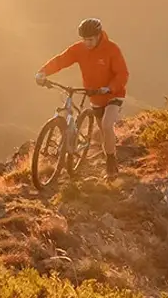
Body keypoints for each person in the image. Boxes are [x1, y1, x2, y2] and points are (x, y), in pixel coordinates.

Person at [35, 17, 129, 178]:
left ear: (99, 35)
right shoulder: (79, 49)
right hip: (94, 95)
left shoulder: (112, 49)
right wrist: (43, 72)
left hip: (113, 94)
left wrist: (109, 88)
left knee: (107, 125)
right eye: (85, 40)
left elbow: (123, 74)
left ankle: (111, 162)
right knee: (102, 130)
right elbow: (61, 60)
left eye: (91, 39)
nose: (87, 43)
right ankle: (88, 150)